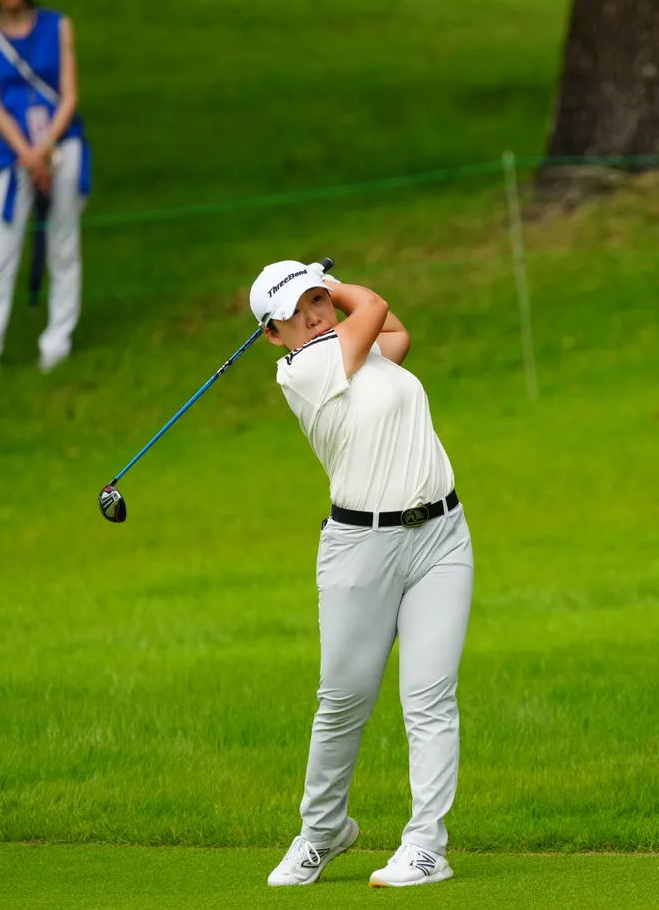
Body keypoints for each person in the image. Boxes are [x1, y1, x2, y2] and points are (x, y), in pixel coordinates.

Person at [252, 261, 473, 889]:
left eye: (318, 302)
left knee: (430, 698)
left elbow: (395, 331)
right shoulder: (303, 369)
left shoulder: (364, 355)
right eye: (296, 313)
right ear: (273, 334)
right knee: (343, 701)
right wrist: (332, 282)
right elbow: (373, 306)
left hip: (441, 538)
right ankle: (321, 832)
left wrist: (318, 284)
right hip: (360, 548)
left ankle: (426, 847)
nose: (313, 316)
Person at [0, 0, 90, 384]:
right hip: (11, 154)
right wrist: (28, 154)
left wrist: (47, 146)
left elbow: (69, 95)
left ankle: (57, 346)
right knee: (1, 255)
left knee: (63, 247)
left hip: (61, 145)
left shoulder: (57, 25)